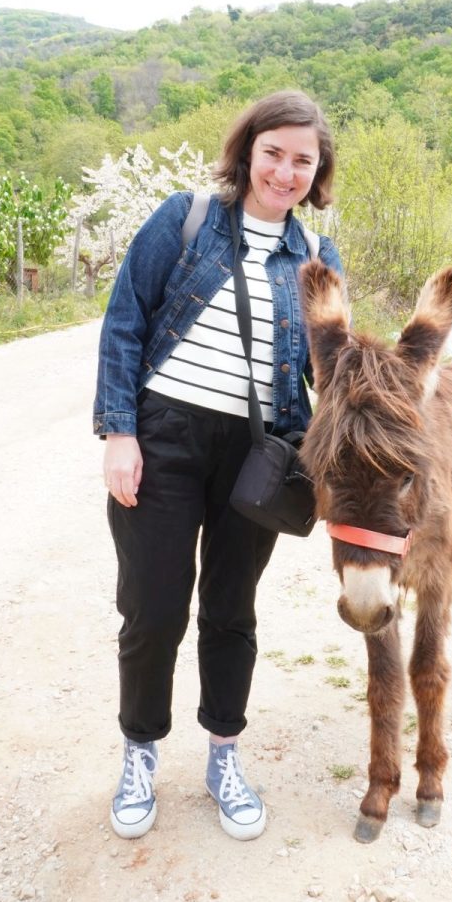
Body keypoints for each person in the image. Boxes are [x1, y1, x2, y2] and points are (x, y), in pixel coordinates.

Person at [93, 91, 343, 841]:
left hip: (260, 457)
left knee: (232, 611)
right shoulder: (187, 218)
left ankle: (224, 755)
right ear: (248, 151)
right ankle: (140, 752)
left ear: (317, 171)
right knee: (153, 608)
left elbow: (331, 371)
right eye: (274, 152)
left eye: (303, 160)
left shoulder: (319, 258)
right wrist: (119, 432)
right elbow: (126, 320)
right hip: (164, 438)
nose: (285, 171)